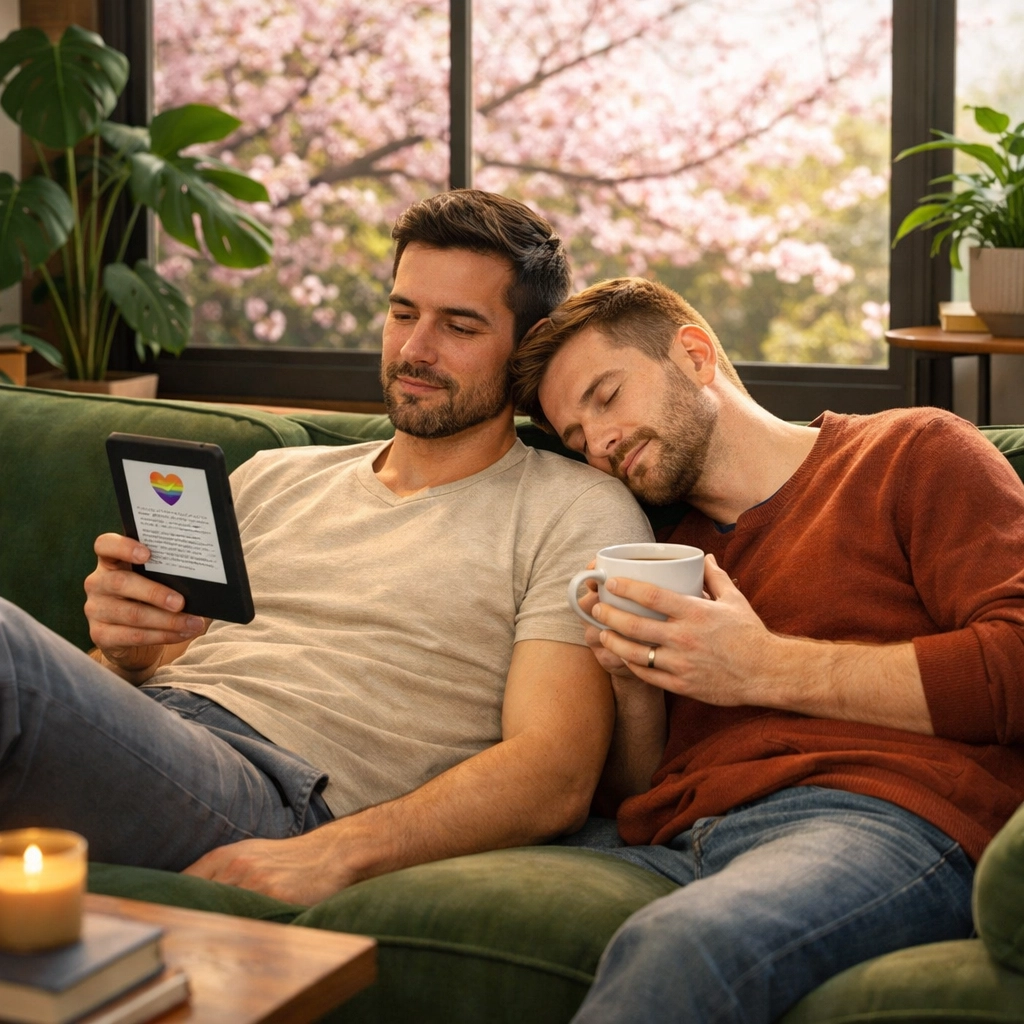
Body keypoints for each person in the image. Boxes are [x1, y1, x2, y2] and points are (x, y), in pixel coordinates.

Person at [0, 192, 652, 906]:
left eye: (459, 326)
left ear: (525, 350)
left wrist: (334, 854)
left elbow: (554, 773)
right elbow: (144, 683)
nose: (414, 350)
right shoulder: (273, 478)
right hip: (161, 739)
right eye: (402, 313)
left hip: (275, 790)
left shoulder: (574, 508)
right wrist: (123, 657)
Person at [511, 276, 1024, 1024]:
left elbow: (1015, 662)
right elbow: (638, 786)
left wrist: (760, 665)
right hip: (677, 835)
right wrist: (634, 681)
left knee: (685, 945)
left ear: (692, 356)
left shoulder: (910, 451)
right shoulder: (660, 552)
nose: (601, 444)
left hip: (878, 818)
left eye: (606, 397)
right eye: (577, 439)